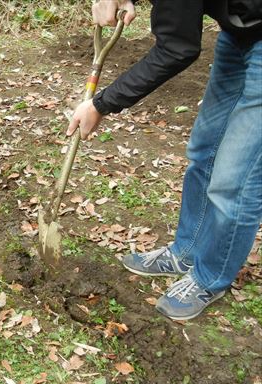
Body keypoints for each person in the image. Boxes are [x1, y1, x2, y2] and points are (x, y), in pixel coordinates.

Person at [67, 0, 262, 321]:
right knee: (204, 152)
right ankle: (186, 253)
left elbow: (177, 47)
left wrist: (100, 104)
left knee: (233, 180)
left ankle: (210, 277)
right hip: (238, 32)